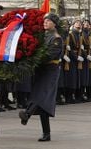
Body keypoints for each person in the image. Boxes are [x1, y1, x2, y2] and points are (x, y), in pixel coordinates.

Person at [19, 13, 63, 142]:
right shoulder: (42, 36)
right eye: (44, 21)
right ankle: (46, 134)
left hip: (50, 71)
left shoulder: (56, 38)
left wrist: (34, 60)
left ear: (54, 24)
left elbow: (49, 55)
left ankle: (27, 114)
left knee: (40, 95)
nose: (45, 23)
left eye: (48, 21)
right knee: (43, 104)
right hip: (40, 70)